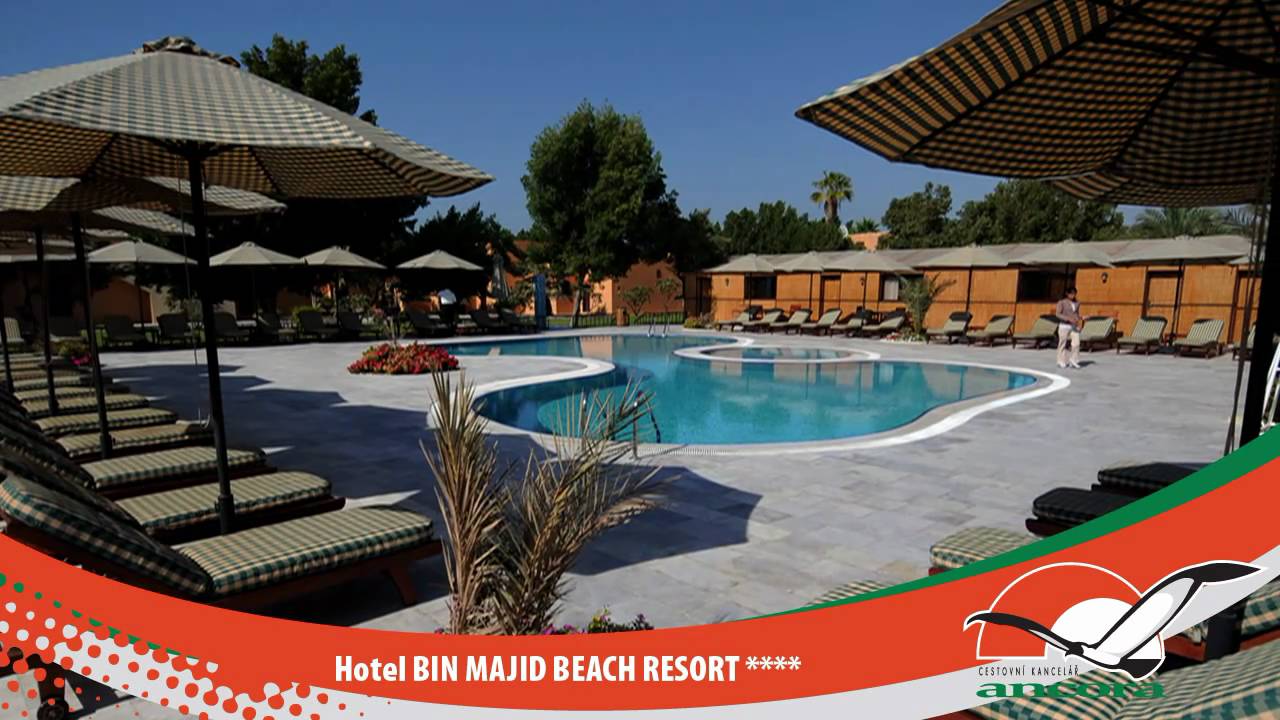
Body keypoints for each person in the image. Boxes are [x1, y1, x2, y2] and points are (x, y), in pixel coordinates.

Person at [1055, 286, 1083, 369]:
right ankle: (1060, 361)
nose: (1073, 295)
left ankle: (1073, 360)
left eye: (1074, 293)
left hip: (1074, 326)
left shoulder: (1077, 303)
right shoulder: (1061, 302)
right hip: (1064, 325)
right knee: (1062, 343)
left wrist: (1081, 318)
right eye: (1071, 293)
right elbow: (1058, 314)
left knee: (1076, 343)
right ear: (1067, 294)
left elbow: (1076, 314)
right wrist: (1068, 319)